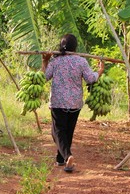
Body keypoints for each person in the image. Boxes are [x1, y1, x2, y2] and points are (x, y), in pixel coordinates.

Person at [41, 34, 104, 173]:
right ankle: (60, 159)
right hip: (75, 102)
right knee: (67, 131)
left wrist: (45, 61)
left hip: (58, 102)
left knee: (57, 131)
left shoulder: (55, 62)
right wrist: (99, 71)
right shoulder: (81, 62)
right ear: (75, 47)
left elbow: (44, 77)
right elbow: (90, 79)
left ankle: (68, 156)